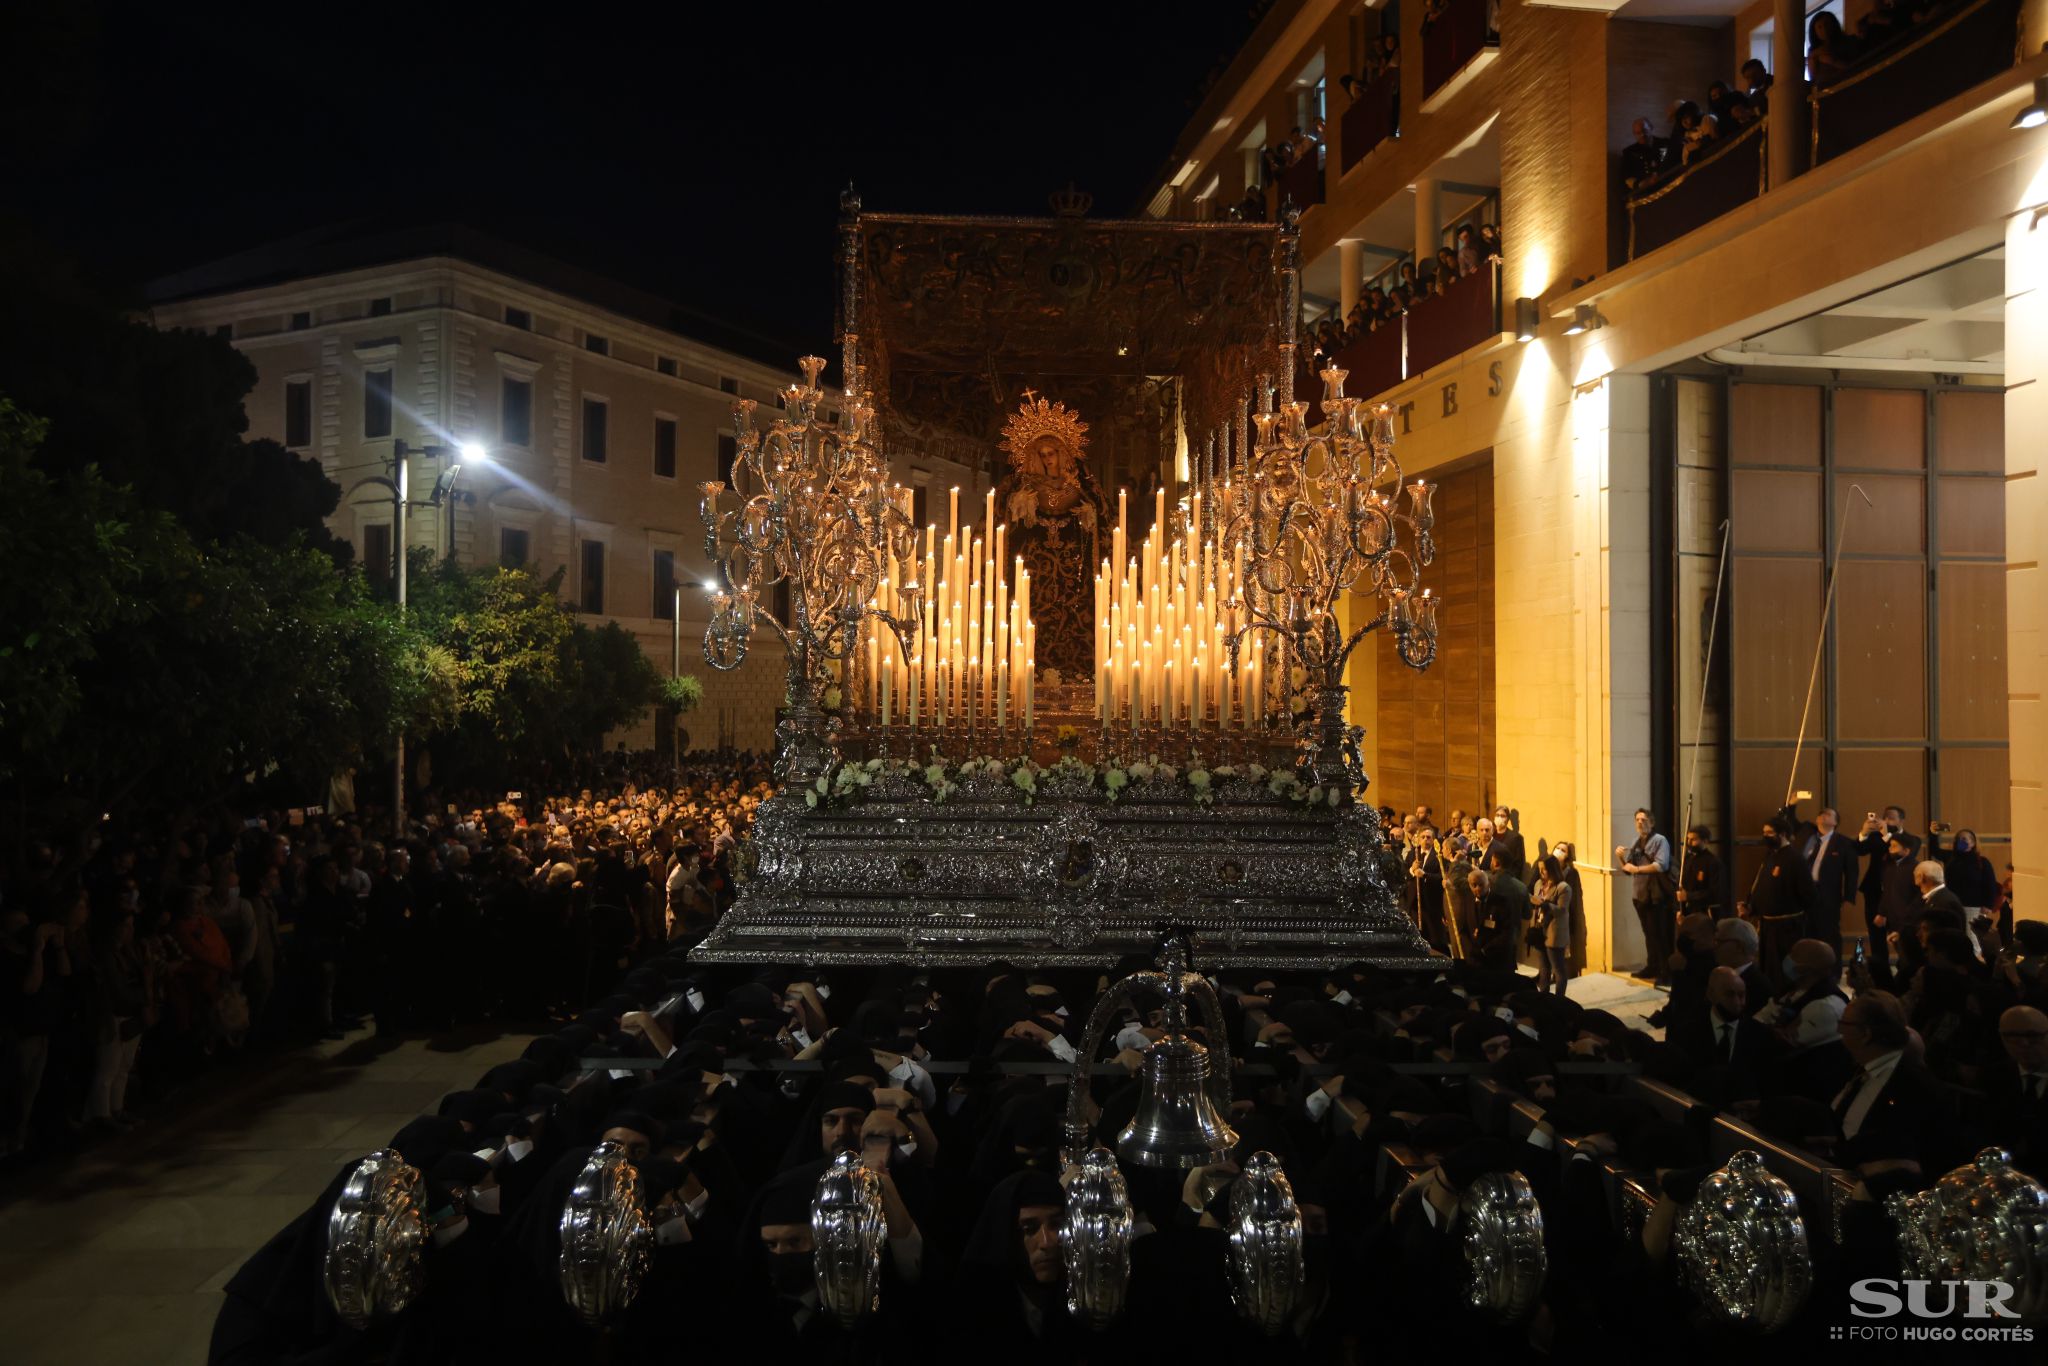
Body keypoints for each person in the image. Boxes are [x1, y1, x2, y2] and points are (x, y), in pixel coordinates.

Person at [1856, 806, 1918, 985]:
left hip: (1899, 894)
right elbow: (1860, 850)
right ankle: (1879, 975)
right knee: (1876, 933)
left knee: (1900, 933)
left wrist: (1886, 835)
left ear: (1901, 821)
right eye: (1885, 817)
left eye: (1891, 818)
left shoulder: (1911, 839)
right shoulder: (1876, 837)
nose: (1886, 820)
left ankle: (1905, 972)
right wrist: (1864, 832)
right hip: (1875, 890)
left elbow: (1906, 855)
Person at [1616, 808, 1673, 981]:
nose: (1640, 822)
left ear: (1652, 822)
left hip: (1656, 895)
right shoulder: (1636, 842)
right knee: (1649, 933)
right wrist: (1620, 858)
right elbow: (1628, 869)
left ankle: (1666, 972)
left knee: (1660, 934)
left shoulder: (1660, 840)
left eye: (1644, 819)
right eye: (1637, 820)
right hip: (1640, 895)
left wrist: (1638, 869)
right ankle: (1652, 966)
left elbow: (1661, 865)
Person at [1800, 807, 1858, 950]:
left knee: (1829, 934)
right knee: (1806, 933)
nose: (1823, 815)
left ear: (1835, 822)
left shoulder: (1844, 843)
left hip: (1828, 895)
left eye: (1828, 814)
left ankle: (1832, 970)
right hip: (1805, 893)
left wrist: (1849, 898)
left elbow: (1852, 873)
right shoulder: (1809, 838)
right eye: (1821, 813)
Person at [1673, 824, 1723, 919]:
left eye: (1694, 839)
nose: (1689, 842)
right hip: (1687, 912)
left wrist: (1689, 896)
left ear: (1705, 841)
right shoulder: (1687, 860)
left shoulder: (1713, 862)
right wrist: (1679, 910)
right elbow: (1680, 887)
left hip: (1705, 913)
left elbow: (1715, 893)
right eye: (1688, 839)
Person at [1621, 116, 1669, 190]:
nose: (1642, 135)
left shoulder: (1665, 143)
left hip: (1668, 185)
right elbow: (1627, 177)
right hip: (1645, 192)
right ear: (1634, 134)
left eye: (1644, 131)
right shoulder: (1629, 152)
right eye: (1638, 133)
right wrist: (1641, 184)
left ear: (1651, 128)